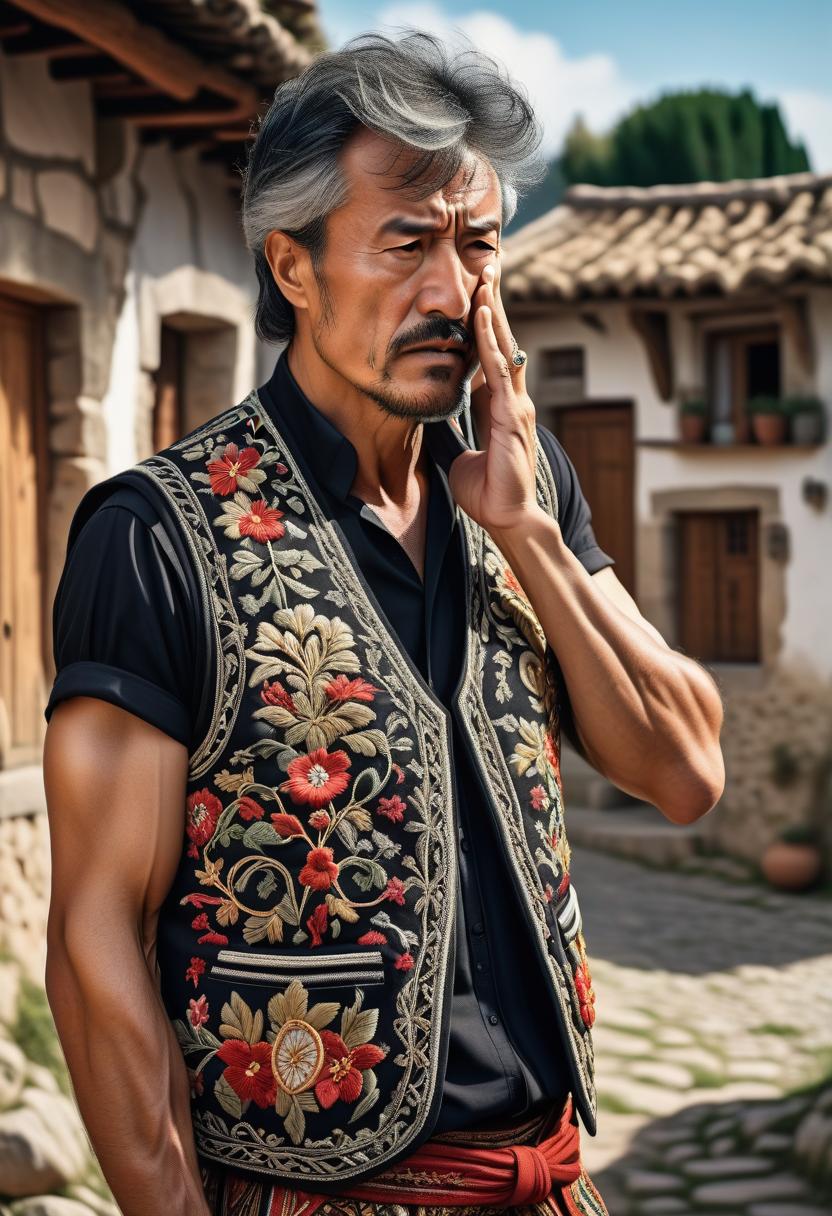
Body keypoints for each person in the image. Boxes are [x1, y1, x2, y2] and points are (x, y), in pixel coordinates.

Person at [42, 30, 725, 1216]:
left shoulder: (523, 490)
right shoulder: (157, 535)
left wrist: (529, 535)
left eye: (477, 247)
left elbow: (686, 770)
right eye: (407, 244)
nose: (451, 293)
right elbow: (97, 939)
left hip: (553, 1185)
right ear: (293, 268)